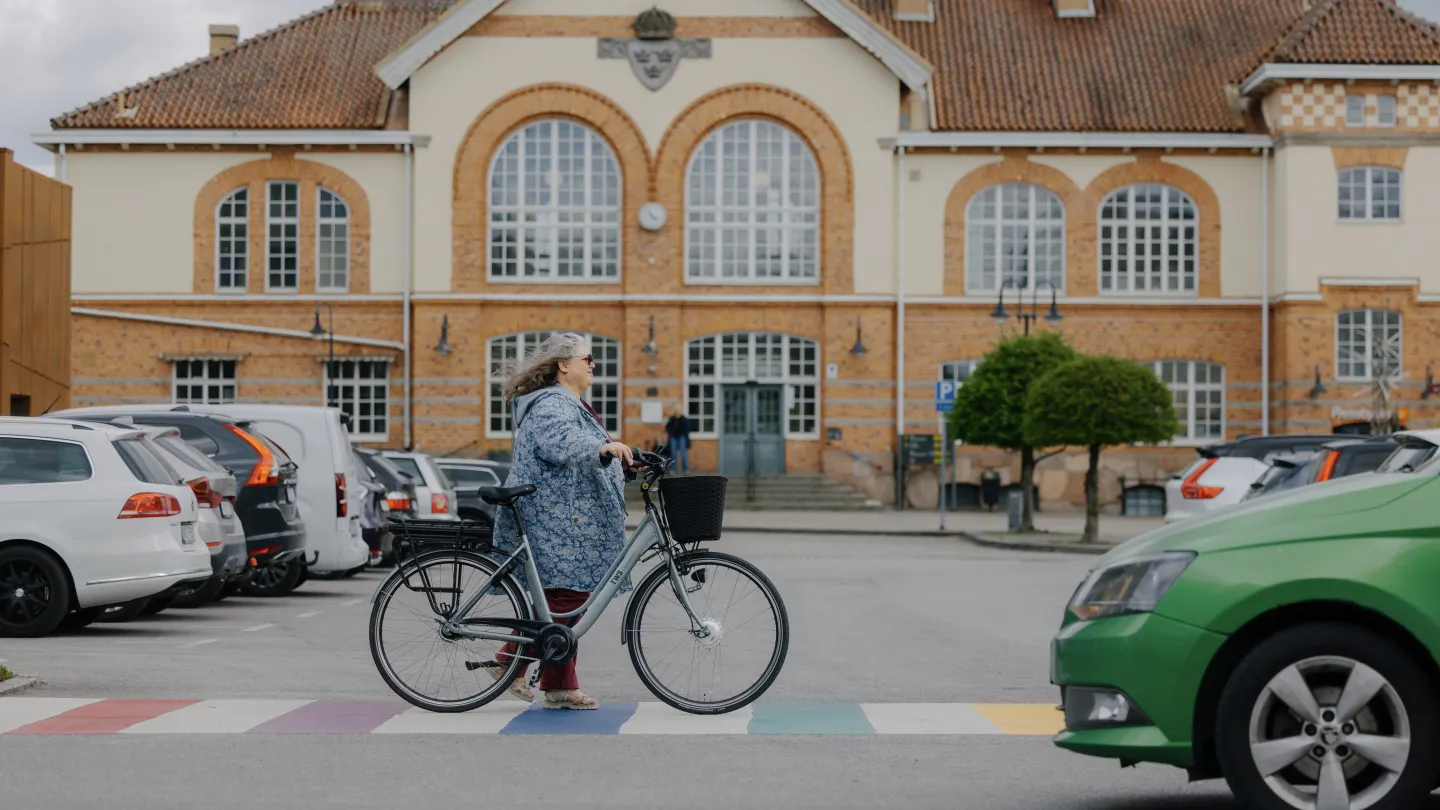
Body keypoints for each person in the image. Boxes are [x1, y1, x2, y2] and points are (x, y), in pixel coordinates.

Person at [484, 332, 637, 710]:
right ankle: (509, 662)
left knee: (562, 600)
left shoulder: (571, 402)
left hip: (568, 520)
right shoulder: (553, 403)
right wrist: (601, 447)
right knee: (567, 598)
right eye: (587, 359)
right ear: (564, 364)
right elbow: (560, 441)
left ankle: (556, 685)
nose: (593, 366)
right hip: (555, 519)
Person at [663, 405, 690, 474]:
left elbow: (687, 430)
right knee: (673, 453)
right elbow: (667, 429)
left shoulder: (684, 419)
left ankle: (686, 470)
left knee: (683, 454)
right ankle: (672, 469)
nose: (678, 411)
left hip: (681, 437)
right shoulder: (672, 419)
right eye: (677, 409)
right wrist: (666, 437)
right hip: (673, 438)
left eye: (679, 409)